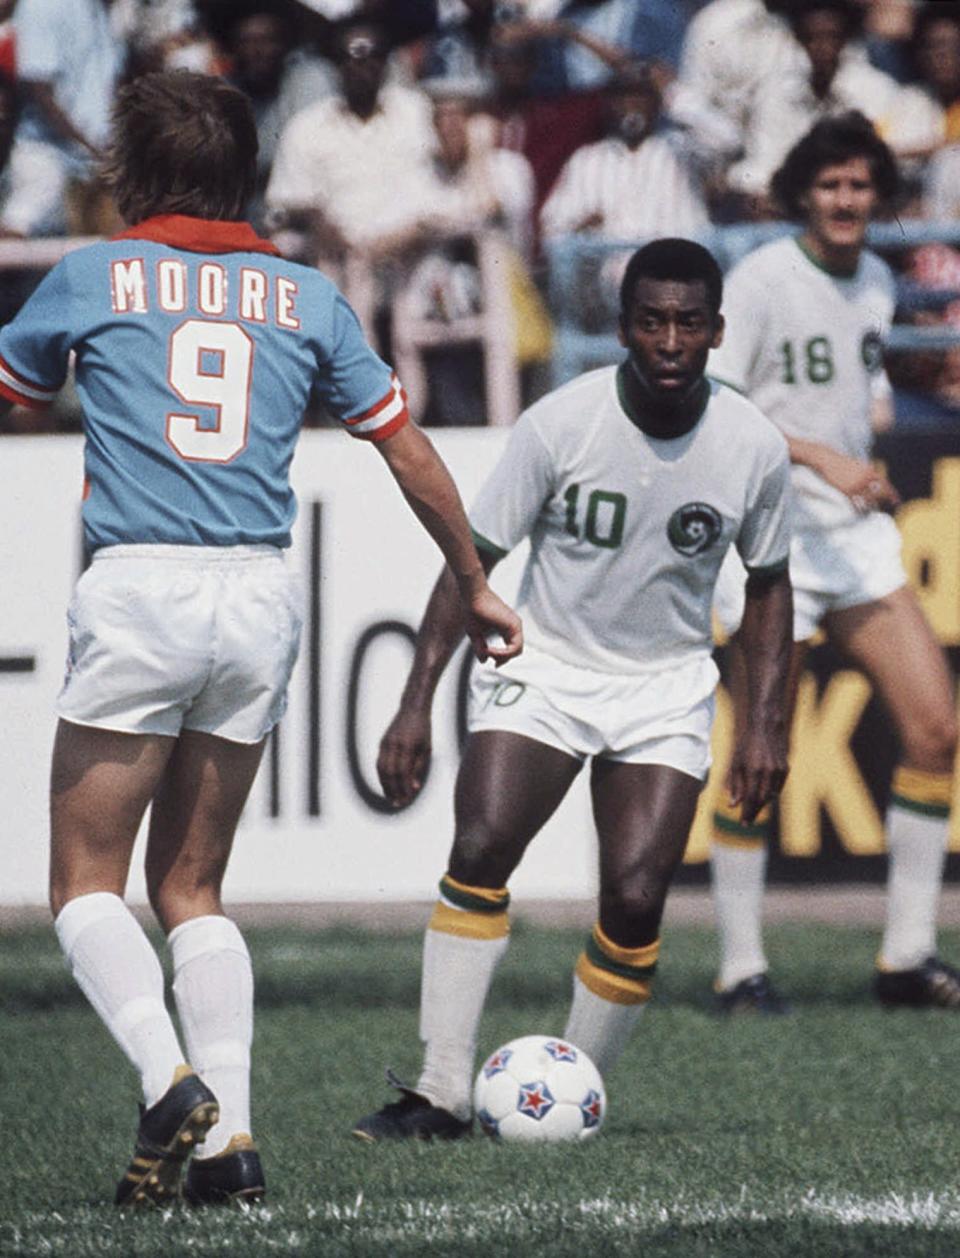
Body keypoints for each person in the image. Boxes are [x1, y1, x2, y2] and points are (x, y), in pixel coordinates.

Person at [0, 69, 521, 1205]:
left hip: (141, 582)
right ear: (249, 175)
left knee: (86, 887)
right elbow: (409, 449)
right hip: (257, 598)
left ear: (128, 172)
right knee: (194, 887)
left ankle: (165, 1077)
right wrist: (472, 578)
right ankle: (232, 1140)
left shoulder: (90, 273)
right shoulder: (309, 297)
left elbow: (16, 395)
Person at [351, 237, 795, 1141]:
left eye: (688, 323)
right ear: (624, 327)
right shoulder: (563, 422)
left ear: (716, 331)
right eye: (651, 320)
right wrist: (413, 701)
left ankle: (571, 1096)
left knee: (634, 900)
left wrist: (764, 726)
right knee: (480, 844)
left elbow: (771, 585)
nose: (669, 340)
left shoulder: (753, 446)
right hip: (545, 664)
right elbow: (471, 563)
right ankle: (436, 1091)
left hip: (667, 684)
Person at [708, 111, 960, 1013]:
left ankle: (905, 957)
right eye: (831, 186)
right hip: (771, 535)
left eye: (860, 186)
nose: (846, 200)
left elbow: (867, 397)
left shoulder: (879, 284)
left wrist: (888, 428)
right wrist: (822, 457)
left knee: (935, 729)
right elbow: (719, 411)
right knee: (760, 746)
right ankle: (740, 966)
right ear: (801, 195)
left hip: (851, 536)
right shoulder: (763, 277)